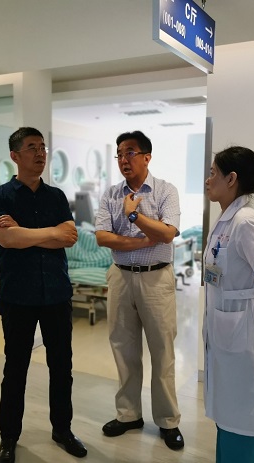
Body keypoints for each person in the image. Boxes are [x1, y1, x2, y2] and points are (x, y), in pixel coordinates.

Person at [0, 127, 87, 463]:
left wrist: (26, 234)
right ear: (15, 156)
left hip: (56, 293)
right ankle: (9, 438)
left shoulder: (56, 197)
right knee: (15, 369)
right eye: (32, 147)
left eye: (43, 147)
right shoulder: (0, 196)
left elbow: (69, 237)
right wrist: (50, 233)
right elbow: (7, 239)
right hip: (18, 296)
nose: (41, 153)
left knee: (62, 367)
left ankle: (63, 430)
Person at [95, 130, 184, 450]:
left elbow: (168, 233)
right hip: (120, 277)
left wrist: (134, 215)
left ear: (147, 157)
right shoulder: (110, 194)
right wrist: (146, 238)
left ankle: (168, 421)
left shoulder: (165, 191)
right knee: (124, 349)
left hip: (156, 279)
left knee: (162, 352)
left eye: (130, 152)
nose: (123, 159)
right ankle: (129, 414)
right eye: (119, 153)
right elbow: (102, 237)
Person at [202, 146, 254, 463]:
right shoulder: (227, 219)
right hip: (228, 333)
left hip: (245, 335)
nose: (208, 179)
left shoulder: (245, 221)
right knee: (230, 418)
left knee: (246, 420)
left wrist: (243, 292)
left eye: (213, 172)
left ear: (231, 179)